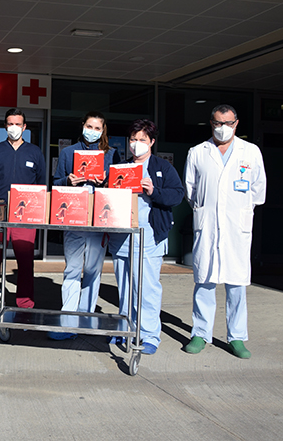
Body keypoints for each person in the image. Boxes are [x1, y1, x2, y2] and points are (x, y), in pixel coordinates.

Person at [183, 104, 266, 359]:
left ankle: (237, 337)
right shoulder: (198, 152)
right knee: (204, 281)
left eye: (228, 123)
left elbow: (258, 190)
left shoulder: (250, 151)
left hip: (236, 227)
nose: (223, 128)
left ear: (236, 124)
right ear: (211, 123)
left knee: (236, 283)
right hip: (207, 225)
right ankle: (200, 333)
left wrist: (238, 208)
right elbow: (191, 191)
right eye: (218, 123)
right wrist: (209, 209)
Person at [108, 120, 184, 355]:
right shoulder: (120, 168)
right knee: (125, 287)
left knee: (147, 288)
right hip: (122, 236)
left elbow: (177, 195)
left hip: (149, 236)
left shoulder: (162, 167)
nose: (136, 144)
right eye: (133, 139)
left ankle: (149, 334)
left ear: (151, 142)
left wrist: (154, 191)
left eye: (142, 139)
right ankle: (124, 328)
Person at [50, 112, 120, 339]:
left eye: (97, 128)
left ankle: (85, 316)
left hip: (99, 219)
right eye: (89, 126)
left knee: (92, 270)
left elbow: (119, 187)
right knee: (72, 268)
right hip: (74, 218)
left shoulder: (111, 154)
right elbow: (56, 183)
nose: (92, 131)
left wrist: (105, 183)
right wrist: (68, 181)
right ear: (82, 126)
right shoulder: (68, 153)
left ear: (103, 130)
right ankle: (68, 320)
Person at [0, 108, 46, 317]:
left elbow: (41, 182)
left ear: (24, 127)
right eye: (10, 124)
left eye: (18, 124)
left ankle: (24, 304)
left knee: (25, 261)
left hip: (25, 215)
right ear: (5, 126)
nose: (14, 127)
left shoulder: (34, 152)